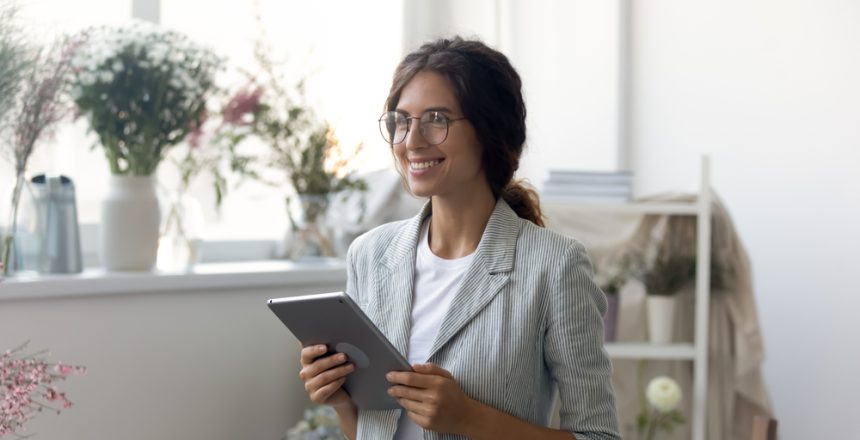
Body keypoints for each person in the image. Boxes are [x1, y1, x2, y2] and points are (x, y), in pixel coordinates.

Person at [298, 36, 620, 440]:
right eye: (402, 120)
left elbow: (599, 435)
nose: (412, 141)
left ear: (490, 131)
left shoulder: (555, 266)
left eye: (436, 119)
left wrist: (469, 418)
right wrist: (341, 399)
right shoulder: (370, 254)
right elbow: (371, 431)